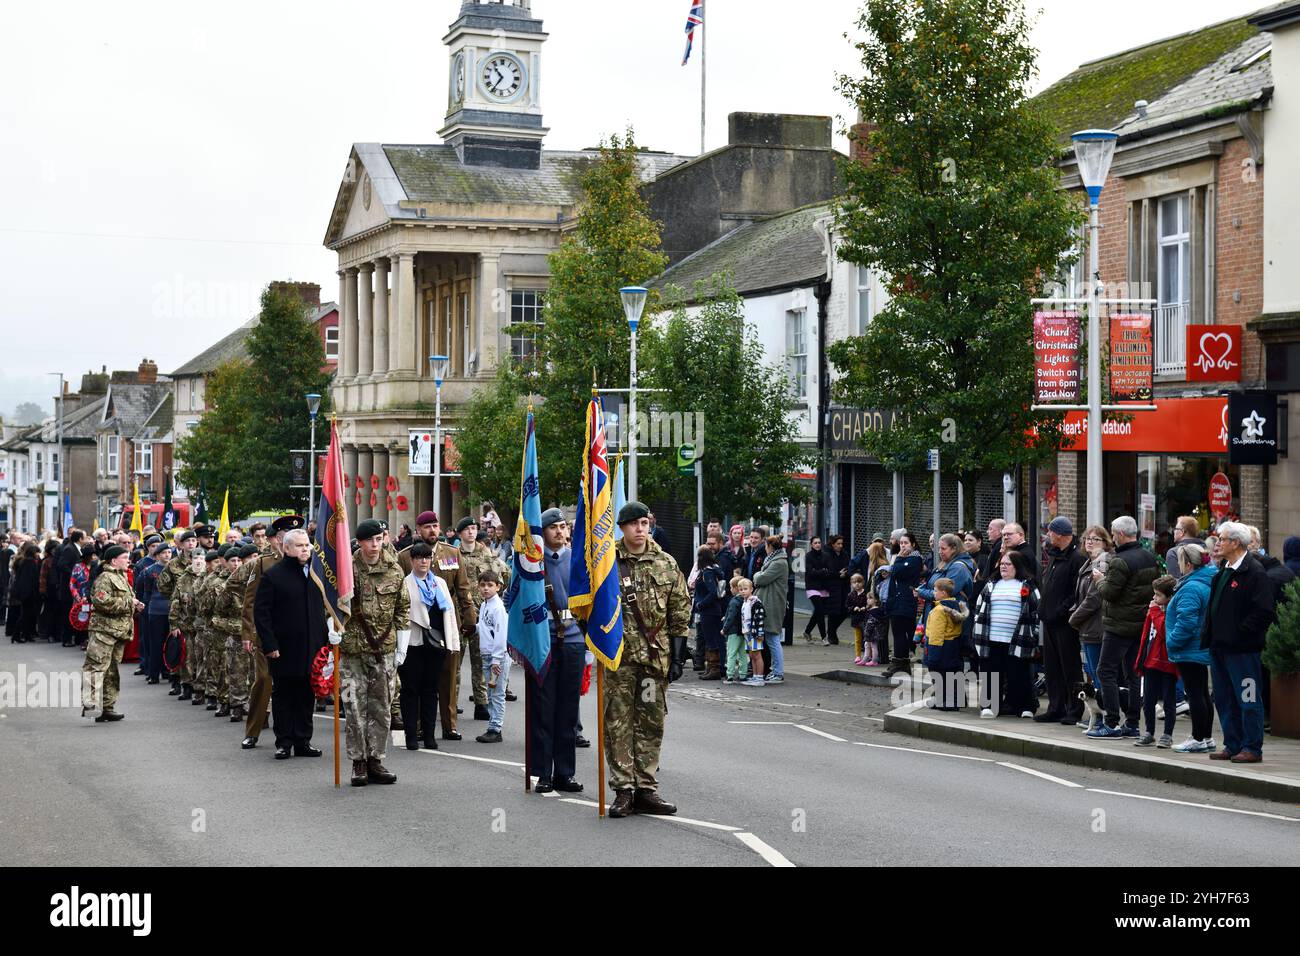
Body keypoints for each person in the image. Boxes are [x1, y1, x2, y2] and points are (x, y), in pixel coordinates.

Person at [606, 501, 690, 818]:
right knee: (618, 724)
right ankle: (623, 790)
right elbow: (588, 605)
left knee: (650, 723)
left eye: (645, 523)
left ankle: (646, 788)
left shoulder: (666, 563)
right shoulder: (607, 562)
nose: (640, 529)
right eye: (633, 524)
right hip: (619, 661)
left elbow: (680, 613)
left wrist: (679, 657)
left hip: (654, 662)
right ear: (622, 527)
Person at [341, 519, 411, 785]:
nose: (375, 545)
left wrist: (402, 646)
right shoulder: (346, 569)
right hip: (352, 651)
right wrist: (332, 629)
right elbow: (332, 604)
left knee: (381, 708)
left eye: (379, 539)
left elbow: (403, 609)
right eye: (369, 540)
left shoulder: (394, 570)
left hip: (384, 651)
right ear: (359, 542)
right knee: (354, 707)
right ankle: (358, 762)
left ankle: (376, 760)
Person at [1200, 521, 1275, 763]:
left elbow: (1264, 612)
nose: (1217, 543)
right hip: (1219, 649)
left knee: (1248, 698)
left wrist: (1240, 633)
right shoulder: (1223, 571)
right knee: (1224, 698)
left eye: (1221, 539)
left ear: (1235, 542)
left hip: (1243, 651)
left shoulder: (1254, 572)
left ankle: (1252, 747)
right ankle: (1232, 744)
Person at [398, 511, 477, 740]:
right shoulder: (405, 556)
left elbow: (463, 589)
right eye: (427, 527)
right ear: (418, 530)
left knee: (448, 677)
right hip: (416, 622)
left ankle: (449, 724)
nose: (432, 530)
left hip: (445, 622)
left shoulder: (451, 553)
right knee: (420, 679)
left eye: (435, 525)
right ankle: (421, 725)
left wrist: (469, 620)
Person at [253, 529, 327, 761]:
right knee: (284, 695)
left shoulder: (317, 574)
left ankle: (303, 741)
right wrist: (270, 643)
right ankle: (284, 742)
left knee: (307, 695)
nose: (305, 549)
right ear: (286, 548)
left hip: (313, 646)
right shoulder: (274, 576)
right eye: (299, 545)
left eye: (307, 545)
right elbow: (261, 613)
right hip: (283, 647)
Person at [530, 509, 586, 792]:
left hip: (574, 636)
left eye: (563, 526)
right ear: (543, 532)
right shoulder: (533, 563)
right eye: (552, 527)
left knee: (568, 708)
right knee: (544, 707)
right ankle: (543, 773)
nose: (559, 532)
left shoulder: (579, 560)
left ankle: (565, 772)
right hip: (544, 637)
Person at [1089, 516, 1157, 738]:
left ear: (1119, 534)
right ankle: (1133, 723)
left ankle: (1111, 722)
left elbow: (1110, 592)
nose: (1113, 538)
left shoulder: (1120, 561)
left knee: (1105, 671)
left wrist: (1100, 579)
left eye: (1113, 533)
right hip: (1140, 624)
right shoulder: (1150, 557)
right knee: (1133, 673)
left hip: (1118, 625)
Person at [239, 515, 298, 748]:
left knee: (295, 683)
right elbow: (250, 601)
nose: (286, 540)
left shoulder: (308, 561)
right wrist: (247, 634)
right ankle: (253, 729)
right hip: (267, 633)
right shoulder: (263, 563)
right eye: (282, 536)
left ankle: (294, 733)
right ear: (275, 540)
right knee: (263, 679)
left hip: (295, 633)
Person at [398, 540, 456, 750]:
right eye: (419, 558)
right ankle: (411, 736)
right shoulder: (405, 583)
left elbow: (449, 614)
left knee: (431, 690)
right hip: (413, 643)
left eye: (427, 557)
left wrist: (451, 642)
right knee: (410, 691)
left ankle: (430, 735)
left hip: (436, 643)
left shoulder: (439, 583)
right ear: (412, 560)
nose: (424, 561)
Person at [455, 515, 511, 721]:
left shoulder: (487, 555)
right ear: (460, 533)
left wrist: (495, 598)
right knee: (455, 664)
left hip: (482, 617)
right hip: (460, 617)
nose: (471, 532)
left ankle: (481, 703)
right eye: (466, 529)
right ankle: (452, 703)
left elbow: (506, 575)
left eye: (473, 528)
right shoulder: (453, 555)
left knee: (480, 663)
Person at [972, 549, 1040, 718]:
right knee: (991, 672)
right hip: (992, 638)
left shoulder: (1027, 585)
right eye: (1001, 564)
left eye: (1008, 564)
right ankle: (989, 706)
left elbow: (1036, 610)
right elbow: (979, 607)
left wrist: (1035, 633)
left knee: (1019, 673)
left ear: (1017, 566)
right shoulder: (991, 584)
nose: (1003, 567)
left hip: (1017, 639)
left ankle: (1024, 707)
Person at [80, 545, 143, 721]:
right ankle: (90, 704)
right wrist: (129, 603)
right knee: (96, 667)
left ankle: (107, 707)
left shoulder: (120, 576)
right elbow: (101, 601)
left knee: (111, 671)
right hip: (103, 631)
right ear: (114, 561)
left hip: (118, 631)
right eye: (124, 557)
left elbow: (123, 600)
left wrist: (135, 604)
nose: (128, 560)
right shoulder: (105, 577)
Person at [1164, 543, 1217, 753]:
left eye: (1179, 562)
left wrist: (1172, 641)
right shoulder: (1203, 581)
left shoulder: (1192, 587)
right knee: (1203, 692)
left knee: (1195, 694)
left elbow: (1187, 622)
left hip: (1189, 648)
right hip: (1198, 647)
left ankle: (1197, 738)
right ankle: (1207, 737)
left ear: (1187, 564)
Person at [1036, 516, 1086, 725]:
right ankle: (1055, 707)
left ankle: (1074, 709)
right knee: (1052, 667)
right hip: (1050, 620)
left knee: (1070, 667)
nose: (1048, 535)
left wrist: (1060, 611)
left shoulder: (1076, 558)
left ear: (1058, 534)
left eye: (1050, 531)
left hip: (1065, 622)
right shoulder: (1055, 556)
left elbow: (1075, 592)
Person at [1068, 525, 1114, 719]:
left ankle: (1106, 717)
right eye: (1087, 538)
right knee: (1091, 672)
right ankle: (1097, 716)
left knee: (1098, 675)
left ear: (1105, 542)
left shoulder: (1102, 563)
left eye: (1096, 539)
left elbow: (1094, 598)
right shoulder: (1088, 563)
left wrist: (1073, 618)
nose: (1089, 541)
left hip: (1096, 627)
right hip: (1087, 627)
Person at [1134, 576, 1178, 747]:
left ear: (1169, 597)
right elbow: (1146, 635)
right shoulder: (1155, 609)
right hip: (1150, 661)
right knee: (1148, 700)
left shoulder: (1169, 610)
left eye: (1158, 595)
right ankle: (1149, 731)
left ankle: (1167, 734)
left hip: (1167, 662)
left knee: (1168, 700)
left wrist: (1154, 612)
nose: (1154, 598)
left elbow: (1165, 631)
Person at [880, 530, 924, 678]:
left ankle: (899, 663)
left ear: (913, 544)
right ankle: (902, 663)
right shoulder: (903, 558)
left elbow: (897, 572)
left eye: (906, 543)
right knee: (898, 633)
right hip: (897, 601)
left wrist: (898, 558)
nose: (903, 546)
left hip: (904, 601)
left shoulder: (915, 559)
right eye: (901, 543)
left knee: (901, 633)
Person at [474, 570, 509, 743]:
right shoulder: (484, 605)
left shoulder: (498, 608)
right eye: (483, 585)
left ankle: (496, 728)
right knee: (491, 691)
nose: (486, 589)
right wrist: (474, 628)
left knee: (497, 693)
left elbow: (501, 634)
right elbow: (484, 627)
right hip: (487, 654)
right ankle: (492, 725)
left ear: (498, 587)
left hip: (497, 657)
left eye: (490, 585)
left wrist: (496, 659)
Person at [923, 578, 968, 711]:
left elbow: (936, 634)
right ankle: (959, 699)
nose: (933, 592)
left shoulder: (939, 610)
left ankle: (947, 701)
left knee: (940, 674)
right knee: (954, 673)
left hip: (941, 647)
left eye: (935, 590)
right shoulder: (956, 606)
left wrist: (932, 656)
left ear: (943, 593)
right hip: (953, 645)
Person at [752, 534, 790, 683]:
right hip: (769, 603)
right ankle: (775, 671)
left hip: (773, 604)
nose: (765, 549)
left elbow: (761, 578)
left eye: (766, 546)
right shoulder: (774, 560)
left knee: (773, 639)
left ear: (770, 547)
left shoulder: (778, 563)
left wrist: (756, 575)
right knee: (771, 639)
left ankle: (778, 672)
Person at [692, 545, 727, 679]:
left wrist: (701, 604)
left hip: (708, 610)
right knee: (717, 638)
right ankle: (715, 667)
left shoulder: (707, 572)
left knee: (711, 639)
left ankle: (714, 668)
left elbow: (712, 592)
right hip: (715, 610)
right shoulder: (715, 569)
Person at [802, 535, 834, 645]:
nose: (817, 545)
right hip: (812, 587)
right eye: (815, 543)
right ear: (811, 545)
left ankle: (807, 632)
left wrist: (819, 571)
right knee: (820, 611)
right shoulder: (808, 556)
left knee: (818, 612)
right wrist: (822, 571)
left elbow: (830, 571)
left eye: (819, 542)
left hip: (824, 587)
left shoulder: (826, 556)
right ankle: (824, 637)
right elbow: (810, 572)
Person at [738, 577, 766, 687]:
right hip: (747, 633)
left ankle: (759, 677)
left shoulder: (755, 602)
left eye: (745, 589)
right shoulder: (745, 602)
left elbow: (760, 619)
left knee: (757, 655)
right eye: (741, 589)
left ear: (751, 589)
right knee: (752, 655)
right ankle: (755, 676)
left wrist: (759, 633)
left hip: (754, 633)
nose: (743, 591)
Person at [11, 542, 40, 643]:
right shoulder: (30, 562)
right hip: (28, 593)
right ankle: (17, 634)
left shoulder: (25, 561)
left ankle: (25, 635)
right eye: (36, 553)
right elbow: (29, 580)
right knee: (26, 615)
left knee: (27, 614)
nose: (38, 555)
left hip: (25, 592)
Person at [722, 576, 746, 683]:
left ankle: (730, 675)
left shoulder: (734, 601)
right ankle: (743, 674)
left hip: (733, 631)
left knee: (731, 653)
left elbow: (731, 617)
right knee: (742, 654)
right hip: (742, 631)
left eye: (731, 587)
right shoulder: (745, 600)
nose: (730, 590)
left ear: (736, 588)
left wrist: (724, 629)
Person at [979, 518, 1006, 587]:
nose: (987, 532)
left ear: (1000, 531)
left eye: (990, 529)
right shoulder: (996, 546)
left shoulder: (998, 546)